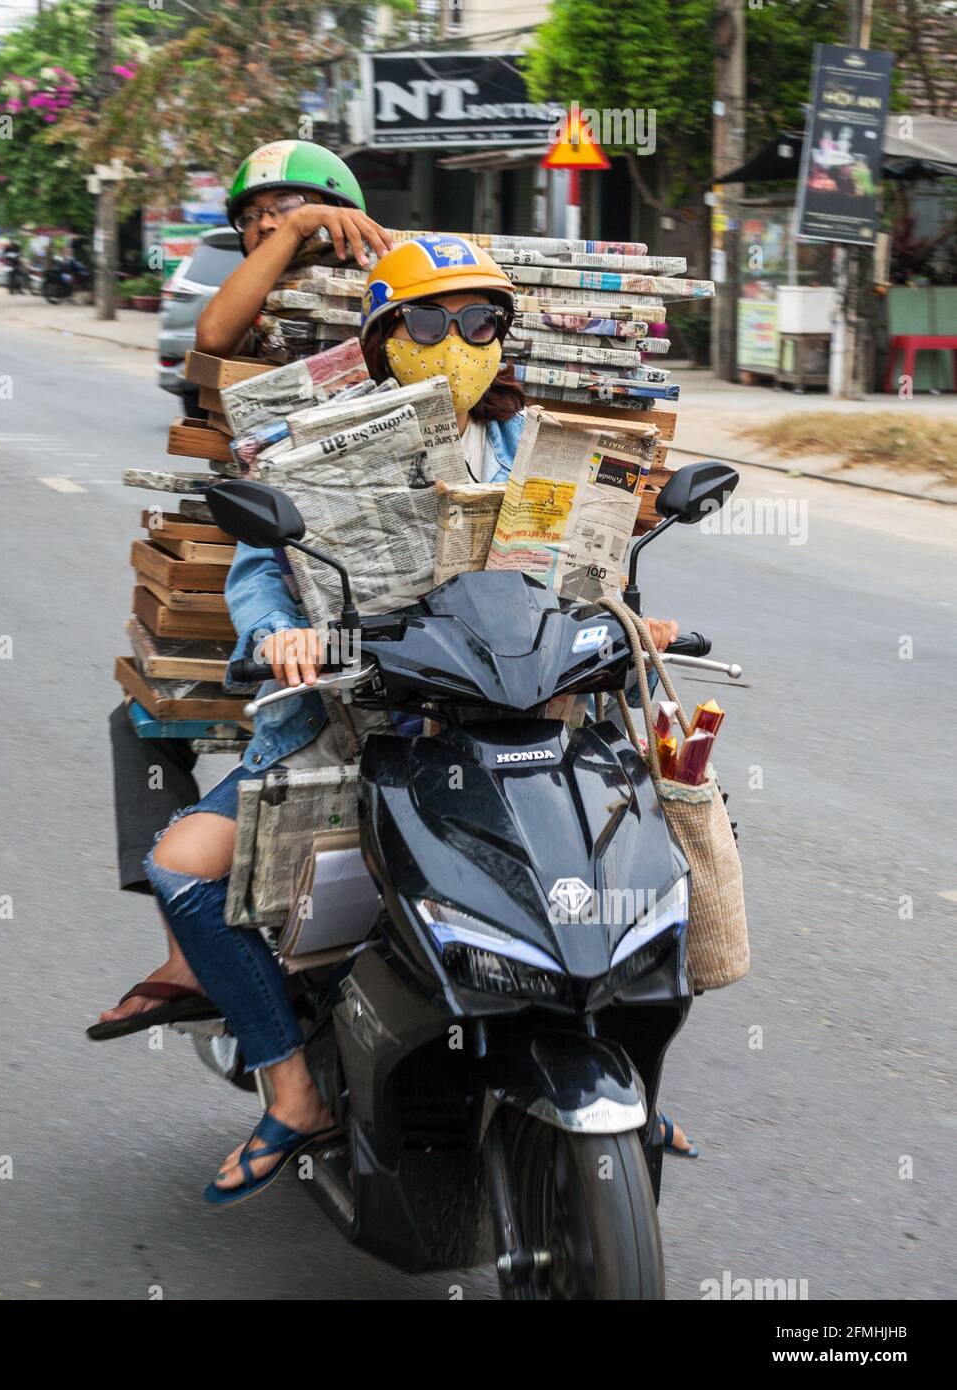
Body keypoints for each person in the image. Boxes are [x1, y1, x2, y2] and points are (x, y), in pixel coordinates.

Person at [108, 234, 698, 1200]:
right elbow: (262, 574)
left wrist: (633, 617)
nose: (456, 338)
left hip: (515, 717)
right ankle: (293, 1088)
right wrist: (282, 638)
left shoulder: (531, 445)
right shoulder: (316, 439)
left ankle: (628, 1064)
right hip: (358, 723)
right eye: (430, 319)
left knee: (655, 855)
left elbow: (580, 576)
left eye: (479, 321)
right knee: (183, 866)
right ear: (386, 334)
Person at [92, 142, 392, 1041]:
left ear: (342, 214)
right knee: (143, 716)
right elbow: (210, 343)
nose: (269, 222)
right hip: (271, 566)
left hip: (378, 575)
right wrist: (290, 234)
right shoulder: (260, 317)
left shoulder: (386, 301)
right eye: (255, 214)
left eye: (292, 206)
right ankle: (192, 941)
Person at [196, 139, 393, 358]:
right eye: (251, 216)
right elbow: (212, 339)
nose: (264, 224)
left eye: (288, 205)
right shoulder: (254, 312)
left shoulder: (384, 293)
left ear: (341, 213)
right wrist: (295, 224)